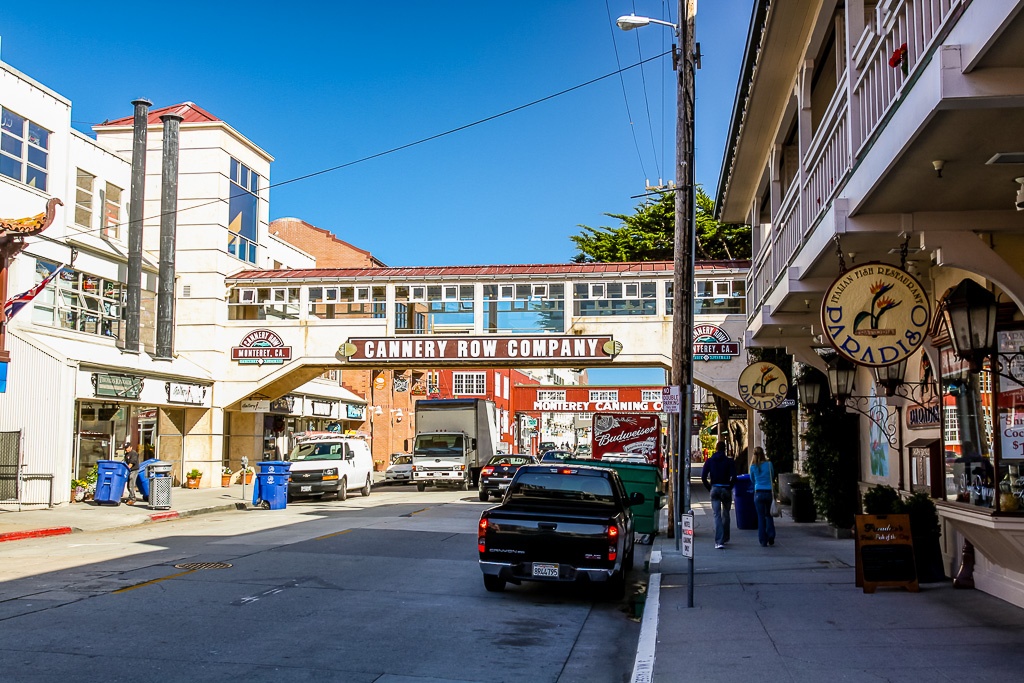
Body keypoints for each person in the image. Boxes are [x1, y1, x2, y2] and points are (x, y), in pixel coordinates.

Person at [701, 441, 736, 549]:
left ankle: (719, 541)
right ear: (724, 449)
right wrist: (730, 487)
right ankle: (725, 537)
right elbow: (734, 476)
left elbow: (703, 476)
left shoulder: (710, 461)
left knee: (717, 515)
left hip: (715, 488)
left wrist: (709, 488)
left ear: (716, 449)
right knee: (726, 514)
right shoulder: (729, 461)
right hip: (725, 488)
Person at [748, 446, 777, 547]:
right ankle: (771, 535)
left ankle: (763, 540)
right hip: (768, 492)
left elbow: (752, 479)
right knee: (769, 515)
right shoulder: (769, 464)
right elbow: (772, 475)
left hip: (758, 492)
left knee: (760, 517)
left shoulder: (753, 467)